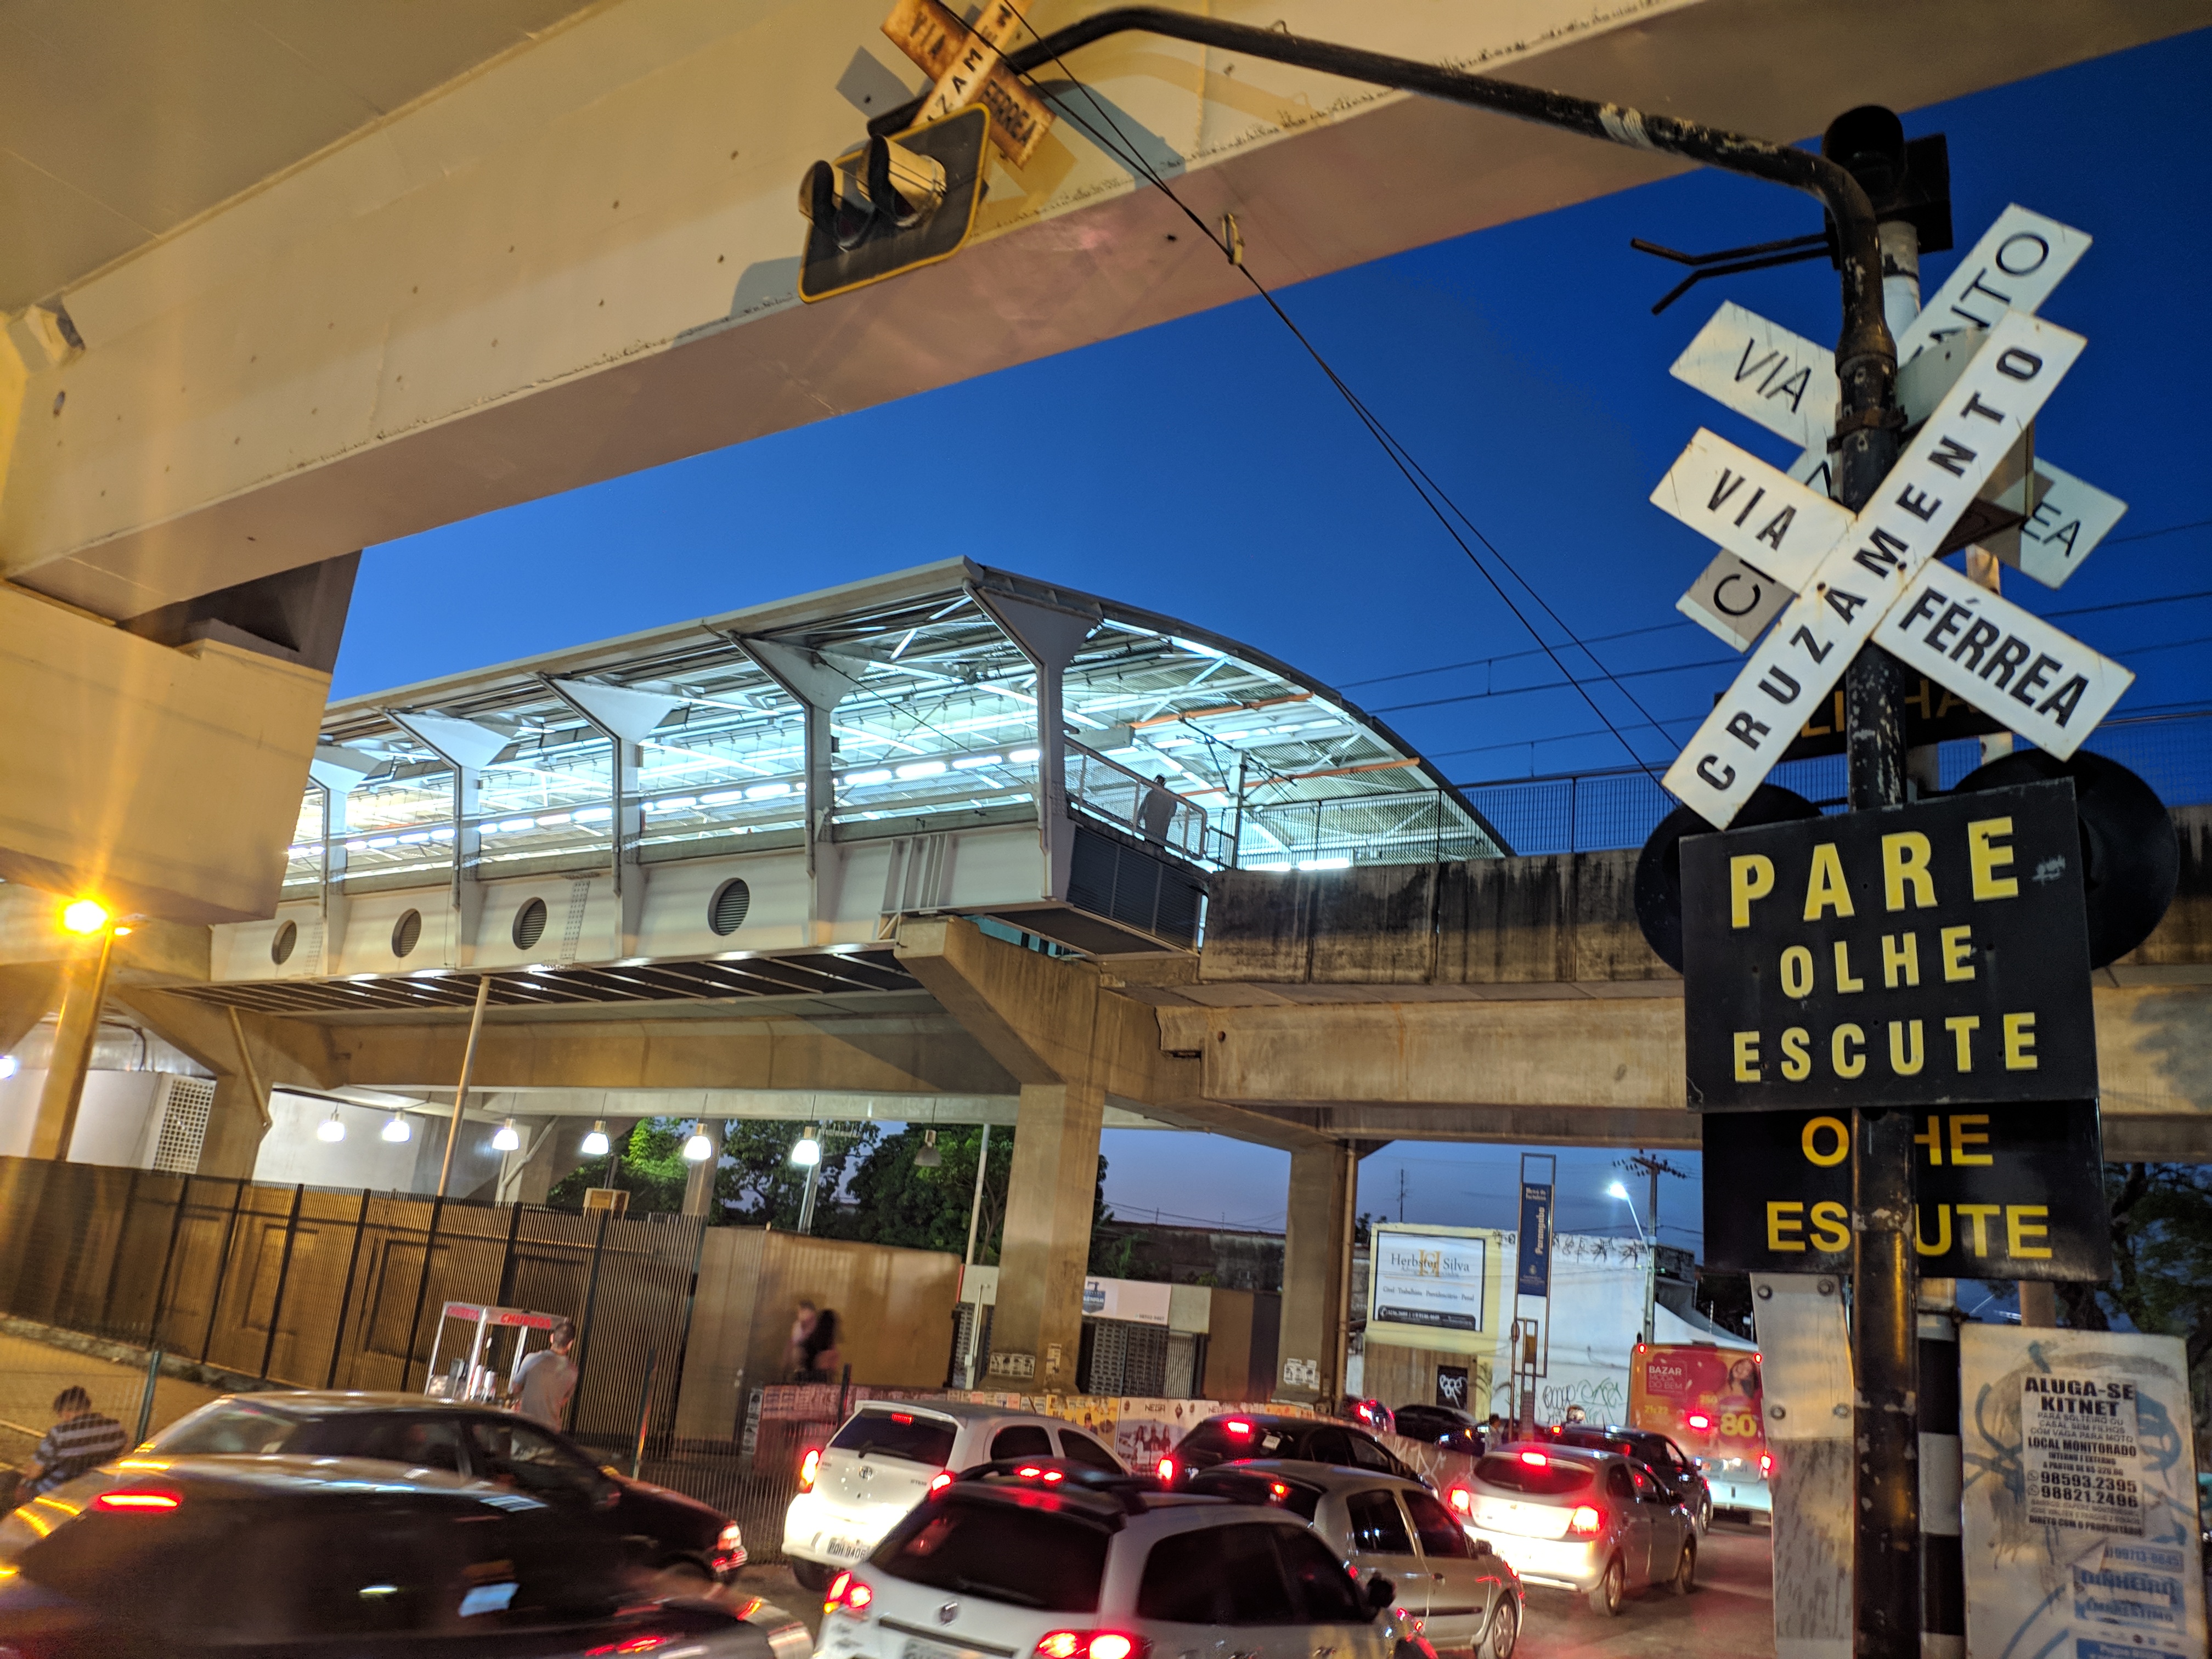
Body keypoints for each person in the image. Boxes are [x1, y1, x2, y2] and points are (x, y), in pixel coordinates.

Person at [25, 1386, 129, 1496]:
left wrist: (28, 1476)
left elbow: (36, 1471)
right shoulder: (115, 1427)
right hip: (100, 1489)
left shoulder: (59, 1433)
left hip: (59, 1491)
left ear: (66, 1413)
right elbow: (126, 1452)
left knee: (22, 1491)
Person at [510, 1319, 578, 1430]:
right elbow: (562, 1401)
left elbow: (516, 1388)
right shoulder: (573, 1371)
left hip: (525, 1427)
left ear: (552, 1338)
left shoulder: (532, 1359)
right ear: (570, 1344)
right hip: (549, 1432)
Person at [799, 1308, 842, 1383]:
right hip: (821, 1382)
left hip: (806, 1381)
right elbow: (830, 1369)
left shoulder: (809, 1341)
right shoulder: (830, 1347)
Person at [1137, 776, 1177, 844]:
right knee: (1153, 839)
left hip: (1160, 821)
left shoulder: (1168, 796)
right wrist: (1138, 819)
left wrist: (1138, 819)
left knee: (1157, 839)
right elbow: (1143, 808)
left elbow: (1173, 810)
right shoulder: (1151, 795)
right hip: (1153, 820)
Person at [786, 1301, 819, 1381]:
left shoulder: (818, 1327)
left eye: (802, 1311)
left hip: (813, 1366)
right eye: (799, 1311)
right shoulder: (797, 1326)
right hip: (799, 1367)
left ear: (812, 1313)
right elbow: (794, 1343)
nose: (799, 1314)